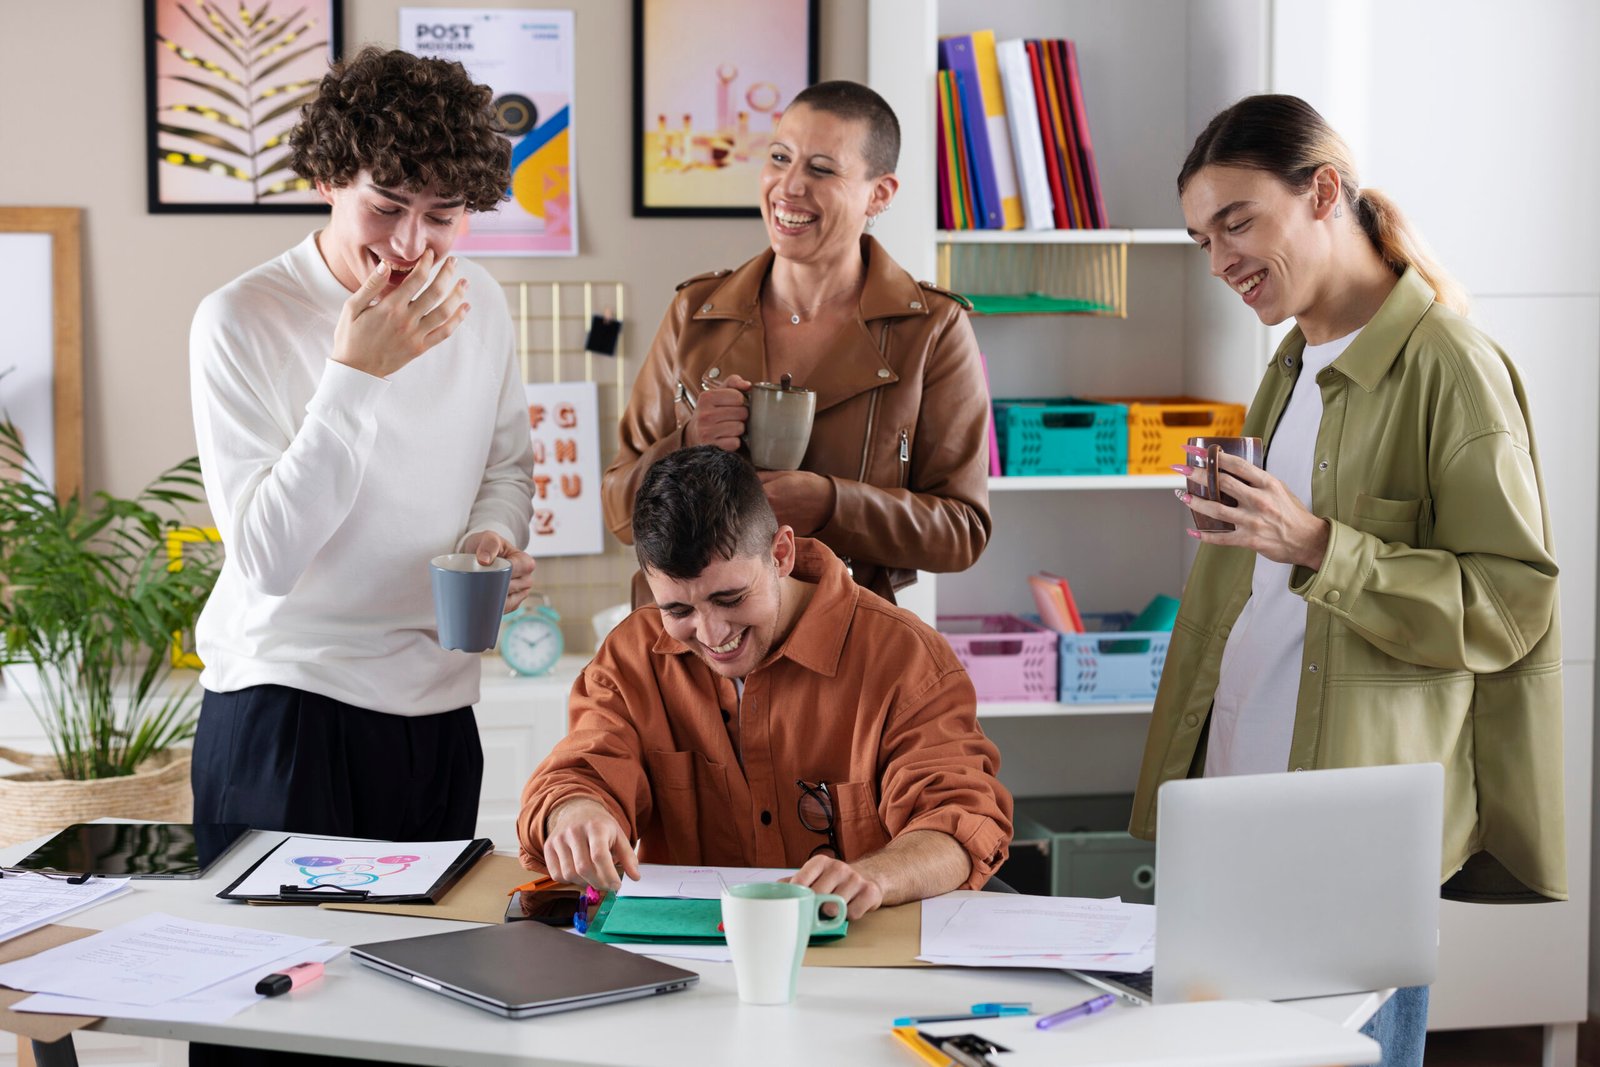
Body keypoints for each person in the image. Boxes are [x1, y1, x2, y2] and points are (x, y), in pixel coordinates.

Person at [1131, 94, 1564, 1066]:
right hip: (1241, 805)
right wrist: (1251, 531)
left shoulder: (1450, 366)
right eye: (1201, 238)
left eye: (1236, 222)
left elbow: (1511, 604)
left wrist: (1321, 542)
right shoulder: (1289, 361)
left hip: (1346, 838)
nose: (1219, 260)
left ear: (1323, 190)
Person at [188, 46, 535, 845]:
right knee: (279, 969)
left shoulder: (479, 299)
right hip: (286, 705)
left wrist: (495, 535)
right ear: (328, 180)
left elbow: (505, 466)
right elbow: (267, 558)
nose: (412, 243)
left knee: (421, 966)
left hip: (439, 707)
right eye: (385, 206)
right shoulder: (240, 318)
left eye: (443, 216)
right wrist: (356, 372)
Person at [519, 446, 1012, 918]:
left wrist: (876, 878)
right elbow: (579, 773)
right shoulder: (631, 657)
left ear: (781, 554)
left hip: (860, 956)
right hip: (689, 963)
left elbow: (962, 822)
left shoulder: (906, 659)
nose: (712, 635)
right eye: (678, 610)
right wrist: (575, 813)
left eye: (731, 598)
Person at [601, 80, 991, 606]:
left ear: (880, 193)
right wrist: (688, 439)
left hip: (843, 650)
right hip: (688, 650)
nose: (788, 186)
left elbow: (961, 530)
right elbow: (620, 513)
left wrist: (833, 505)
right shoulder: (695, 313)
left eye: (822, 169)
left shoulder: (933, 329)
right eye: (780, 157)